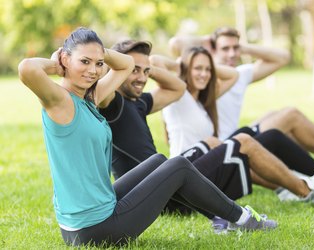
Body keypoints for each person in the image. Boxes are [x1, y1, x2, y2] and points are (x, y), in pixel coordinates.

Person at [18, 27, 278, 247]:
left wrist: (99, 52)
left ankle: (223, 218)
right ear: (66, 59)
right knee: (179, 167)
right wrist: (57, 63)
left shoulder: (89, 98)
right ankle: (242, 219)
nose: (94, 71)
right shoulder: (59, 101)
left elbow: (127, 64)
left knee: (158, 160)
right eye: (84, 62)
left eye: (98, 64)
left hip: (86, 218)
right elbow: (27, 68)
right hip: (95, 228)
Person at [98, 40, 314, 234]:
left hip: (164, 180)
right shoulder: (112, 103)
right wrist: (118, 62)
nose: (141, 77)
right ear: (119, 70)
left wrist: (144, 69)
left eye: (145, 71)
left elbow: (177, 87)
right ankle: (307, 191)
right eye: (133, 71)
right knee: (242, 142)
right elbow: (171, 85)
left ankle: (284, 185)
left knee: (214, 143)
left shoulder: (138, 103)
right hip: (158, 196)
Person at [168, 27, 314, 171]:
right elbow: (176, 44)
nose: (232, 53)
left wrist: (244, 47)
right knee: (290, 116)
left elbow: (282, 57)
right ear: (212, 49)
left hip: (233, 134)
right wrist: (207, 42)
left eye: (235, 48)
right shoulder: (204, 76)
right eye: (225, 48)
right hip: (220, 143)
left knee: (277, 117)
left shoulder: (240, 73)